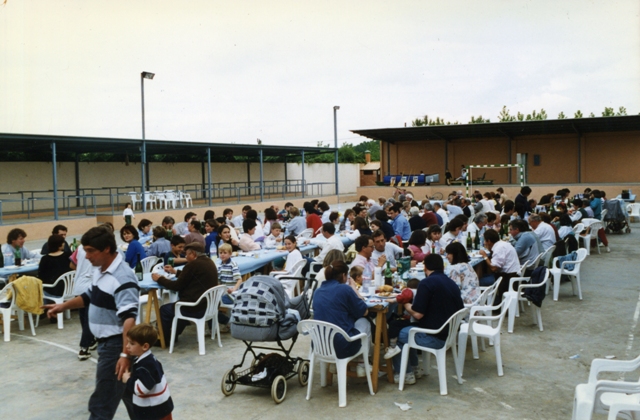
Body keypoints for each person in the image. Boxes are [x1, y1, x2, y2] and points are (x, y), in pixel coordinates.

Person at [43, 225, 139, 419]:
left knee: (101, 405)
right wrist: (62, 306)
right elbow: (88, 296)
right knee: (132, 399)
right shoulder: (100, 269)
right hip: (107, 346)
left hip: (115, 347)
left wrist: (124, 354)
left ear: (106, 249)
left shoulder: (122, 278)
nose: (86, 257)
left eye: (90, 251)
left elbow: (129, 319)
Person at [390, 254, 464, 385]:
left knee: (400, 333)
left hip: (435, 337)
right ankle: (414, 368)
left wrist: (406, 304)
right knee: (408, 329)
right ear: (442, 267)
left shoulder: (426, 283)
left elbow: (418, 314)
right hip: (450, 335)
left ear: (425, 267)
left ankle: (405, 374)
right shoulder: (451, 283)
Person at [153, 243, 219, 345]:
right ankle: (173, 335)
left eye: (187, 254)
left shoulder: (192, 265)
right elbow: (192, 276)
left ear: (193, 254)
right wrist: (175, 272)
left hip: (196, 307)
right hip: (210, 306)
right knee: (179, 305)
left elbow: (176, 286)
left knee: (164, 310)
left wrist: (160, 279)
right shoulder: (209, 262)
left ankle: (165, 339)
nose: (186, 257)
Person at [313, 261, 371, 366]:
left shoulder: (318, 291)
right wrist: (353, 288)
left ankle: (335, 367)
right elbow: (365, 312)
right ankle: (362, 364)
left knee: (340, 321)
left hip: (319, 345)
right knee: (364, 322)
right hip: (341, 347)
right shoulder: (345, 289)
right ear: (344, 276)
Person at [121, 324, 174, 420]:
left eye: (132, 343)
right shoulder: (150, 359)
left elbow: (141, 390)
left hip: (153, 412)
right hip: (162, 407)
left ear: (145, 346)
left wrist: (128, 379)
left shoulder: (144, 367)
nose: (127, 346)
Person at [383, 278, 420, 359]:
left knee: (393, 324)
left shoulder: (410, 291)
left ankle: (393, 346)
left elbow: (405, 296)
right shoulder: (419, 292)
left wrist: (393, 300)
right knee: (395, 317)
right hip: (417, 320)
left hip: (412, 320)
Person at [479, 229, 520, 303]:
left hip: (507, 277)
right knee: (484, 276)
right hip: (510, 274)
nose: (484, 243)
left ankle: (491, 303)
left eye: (485, 241)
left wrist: (485, 256)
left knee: (479, 281)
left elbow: (494, 268)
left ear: (489, 241)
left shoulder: (499, 248)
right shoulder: (503, 244)